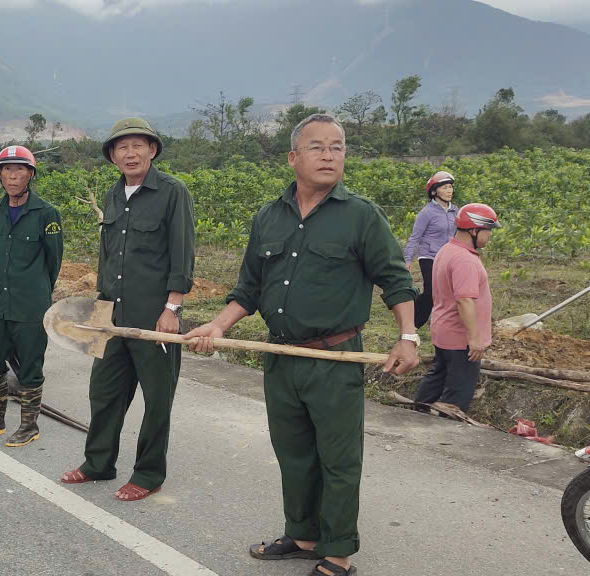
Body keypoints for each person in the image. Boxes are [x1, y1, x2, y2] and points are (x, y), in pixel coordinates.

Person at [185, 114, 419, 576]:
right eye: (317, 147)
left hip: (334, 357)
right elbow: (249, 288)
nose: (329, 155)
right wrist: (217, 325)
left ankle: (338, 552)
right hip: (281, 355)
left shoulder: (361, 216)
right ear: (293, 157)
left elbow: (395, 279)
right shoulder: (269, 216)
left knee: (338, 458)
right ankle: (304, 535)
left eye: (337, 147)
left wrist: (407, 337)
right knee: (293, 453)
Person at [59, 118, 195, 502]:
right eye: (122, 147)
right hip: (111, 316)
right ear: (112, 156)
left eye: (138, 145)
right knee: (104, 393)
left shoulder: (173, 192)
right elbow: (107, 257)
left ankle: (148, 474)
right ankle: (98, 463)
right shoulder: (113, 195)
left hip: (154, 316)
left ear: (152, 150)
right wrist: (98, 311)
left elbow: (182, 254)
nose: (130, 153)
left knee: (156, 399)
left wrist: (172, 308)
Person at [0, 145, 63, 448]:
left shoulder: (46, 213)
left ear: (30, 174)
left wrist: (35, 288)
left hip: (30, 304)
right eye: (6, 169)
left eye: (19, 169)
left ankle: (29, 425)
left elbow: (53, 262)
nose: (12, 175)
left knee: (30, 365)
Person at [414, 204, 501, 413]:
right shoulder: (465, 260)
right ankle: (448, 430)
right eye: (488, 230)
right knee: (457, 395)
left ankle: (414, 415)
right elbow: (464, 301)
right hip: (461, 340)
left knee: (437, 378)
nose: (489, 235)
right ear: (474, 230)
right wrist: (474, 339)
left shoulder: (447, 249)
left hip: (444, 331)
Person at [405, 171, 457, 328]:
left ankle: (442, 322)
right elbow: (415, 237)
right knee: (431, 291)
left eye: (450, 187)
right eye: (445, 188)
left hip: (447, 257)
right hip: (429, 257)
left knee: (448, 292)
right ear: (434, 192)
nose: (449, 191)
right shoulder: (427, 212)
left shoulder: (455, 211)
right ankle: (413, 325)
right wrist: (408, 259)